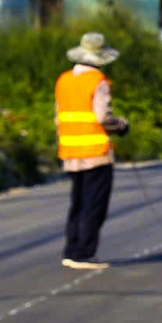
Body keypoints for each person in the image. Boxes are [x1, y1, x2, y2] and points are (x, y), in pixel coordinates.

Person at [55, 31, 129, 270]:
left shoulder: (63, 80)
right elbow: (103, 116)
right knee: (93, 203)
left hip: (70, 152)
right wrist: (121, 125)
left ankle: (72, 250)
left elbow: (58, 119)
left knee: (77, 202)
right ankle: (84, 254)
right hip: (95, 152)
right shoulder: (98, 81)